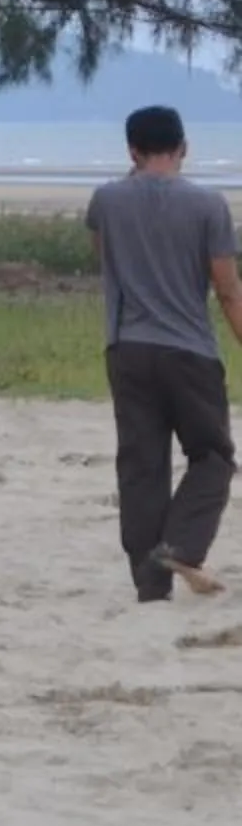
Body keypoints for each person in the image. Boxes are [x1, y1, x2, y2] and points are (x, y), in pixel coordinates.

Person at [84, 105, 241, 601]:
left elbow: (102, 256)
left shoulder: (106, 201)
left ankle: (150, 585)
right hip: (190, 349)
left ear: (131, 150)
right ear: (185, 147)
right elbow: (227, 289)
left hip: (126, 347)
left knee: (141, 465)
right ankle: (182, 545)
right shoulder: (209, 206)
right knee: (213, 455)